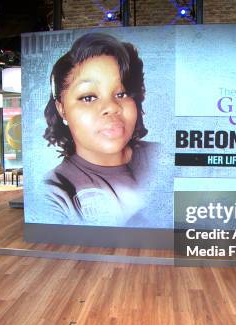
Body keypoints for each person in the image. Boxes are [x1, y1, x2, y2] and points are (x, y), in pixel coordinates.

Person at [42, 33, 157, 227]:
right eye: (88, 97)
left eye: (122, 93)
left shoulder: (163, 157)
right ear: (62, 109)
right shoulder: (54, 194)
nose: (112, 107)